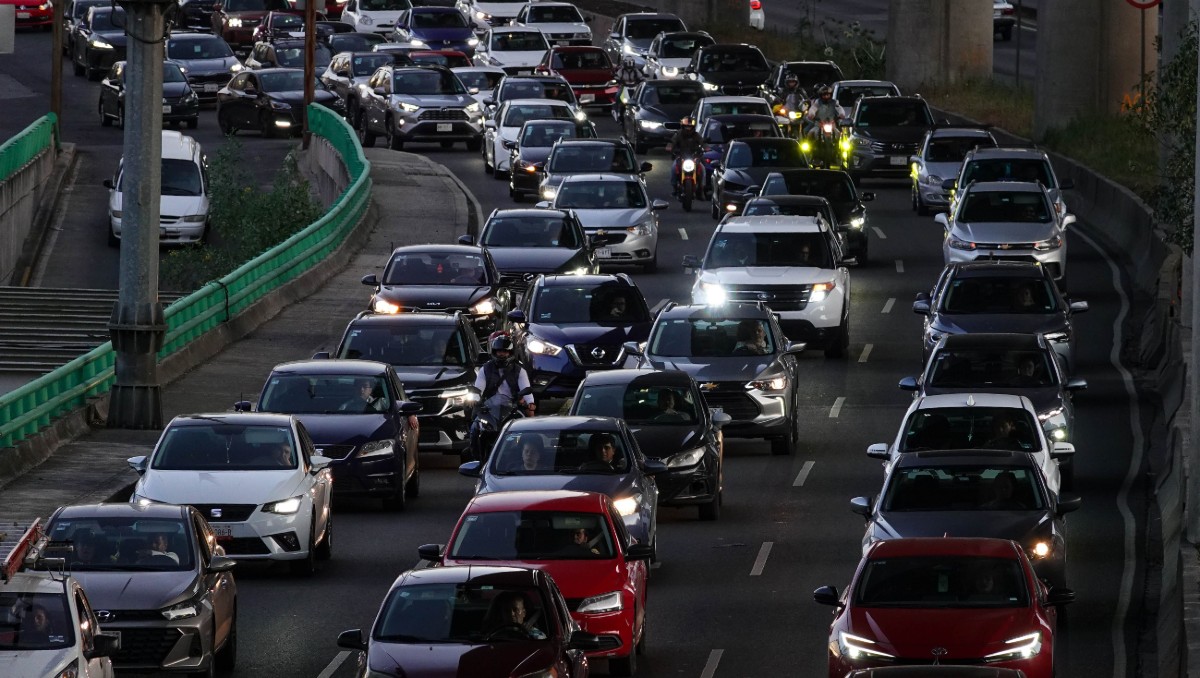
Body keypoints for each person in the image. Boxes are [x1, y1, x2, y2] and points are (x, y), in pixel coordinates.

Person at [665, 117, 706, 197]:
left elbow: (702, 141)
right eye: (686, 126)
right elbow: (672, 142)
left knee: (702, 169)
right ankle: (674, 187)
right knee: (674, 168)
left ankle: (701, 189)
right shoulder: (678, 134)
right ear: (683, 126)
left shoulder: (696, 135)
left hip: (693, 157)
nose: (688, 128)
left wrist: (706, 147)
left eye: (690, 126)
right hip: (681, 157)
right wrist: (670, 146)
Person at [482, 591, 547, 639]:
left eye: (516, 610)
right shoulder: (491, 635)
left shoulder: (536, 636)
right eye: (507, 610)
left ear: (524, 613)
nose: (511, 614)